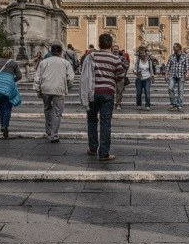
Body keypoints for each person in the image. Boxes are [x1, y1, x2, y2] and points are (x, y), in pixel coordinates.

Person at [83, 33, 127, 161]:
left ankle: (92, 149)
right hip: (107, 93)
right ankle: (103, 153)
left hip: (92, 93)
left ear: (99, 43)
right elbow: (120, 76)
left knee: (91, 121)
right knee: (105, 123)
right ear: (111, 44)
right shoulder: (115, 59)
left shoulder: (91, 57)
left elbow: (85, 73)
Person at [35, 43, 74, 142]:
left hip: (45, 88)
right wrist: (67, 88)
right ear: (61, 52)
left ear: (51, 51)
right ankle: (54, 134)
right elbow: (70, 77)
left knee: (47, 109)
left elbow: (37, 77)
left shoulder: (43, 62)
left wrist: (38, 90)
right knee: (57, 112)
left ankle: (48, 130)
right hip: (59, 89)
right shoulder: (65, 63)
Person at [165, 42, 189, 111]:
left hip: (181, 75)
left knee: (180, 90)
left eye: (175, 47)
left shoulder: (185, 56)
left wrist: (187, 74)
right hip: (172, 75)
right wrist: (166, 75)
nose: (173, 48)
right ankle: (173, 104)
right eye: (173, 47)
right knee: (170, 88)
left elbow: (188, 67)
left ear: (179, 48)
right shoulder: (171, 56)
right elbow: (168, 66)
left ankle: (179, 104)